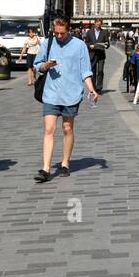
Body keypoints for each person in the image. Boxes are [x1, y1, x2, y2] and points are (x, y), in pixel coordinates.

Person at [31, 16, 99, 183]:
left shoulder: (79, 45)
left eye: (62, 33)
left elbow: (85, 70)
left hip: (71, 93)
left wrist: (92, 89)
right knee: (49, 129)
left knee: (67, 128)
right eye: (56, 33)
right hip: (51, 93)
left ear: (68, 30)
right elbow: (36, 64)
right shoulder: (48, 43)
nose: (59, 36)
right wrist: (45, 65)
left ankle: (65, 163)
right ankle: (46, 168)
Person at [82, 18, 108, 92]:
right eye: (97, 24)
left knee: (100, 71)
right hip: (92, 54)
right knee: (92, 72)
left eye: (100, 24)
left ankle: (99, 88)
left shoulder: (104, 32)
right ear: (95, 23)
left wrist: (106, 45)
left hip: (101, 55)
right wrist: (90, 45)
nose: (98, 26)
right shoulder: (89, 32)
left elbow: (107, 43)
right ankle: (93, 87)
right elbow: (86, 43)